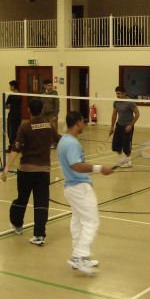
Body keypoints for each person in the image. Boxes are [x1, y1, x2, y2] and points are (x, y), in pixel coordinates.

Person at [58, 111, 113, 275]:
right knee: (91, 221)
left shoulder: (63, 140)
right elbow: (76, 166)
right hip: (79, 187)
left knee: (78, 221)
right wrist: (99, 168)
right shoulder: (72, 144)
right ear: (77, 123)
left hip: (70, 187)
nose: (85, 124)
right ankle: (79, 256)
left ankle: (79, 255)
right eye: (83, 121)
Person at [2, 99, 60, 246]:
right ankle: (39, 235)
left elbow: (16, 148)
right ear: (41, 110)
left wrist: (7, 167)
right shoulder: (48, 125)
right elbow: (59, 140)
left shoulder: (25, 127)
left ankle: (17, 224)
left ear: (29, 110)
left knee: (22, 199)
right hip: (43, 171)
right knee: (41, 203)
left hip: (26, 171)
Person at [109, 85, 140, 167]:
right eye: (117, 94)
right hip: (119, 125)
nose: (118, 95)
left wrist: (131, 125)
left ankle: (129, 161)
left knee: (126, 145)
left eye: (119, 94)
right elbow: (114, 114)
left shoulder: (130, 102)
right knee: (116, 146)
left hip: (128, 126)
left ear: (124, 93)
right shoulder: (116, 102)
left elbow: (137, 114)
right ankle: (123, 160)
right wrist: (112, 127)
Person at [5, 80, 23, 152]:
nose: (10, 87)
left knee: (11, 131)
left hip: (12, 115)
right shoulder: (20, 95)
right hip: (18, 115)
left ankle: (12, 147)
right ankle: (17, 146)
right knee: (17, 131)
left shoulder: (11, 96)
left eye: (10, 86)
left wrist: (9, 106)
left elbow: (6, 106)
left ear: (13, 86)